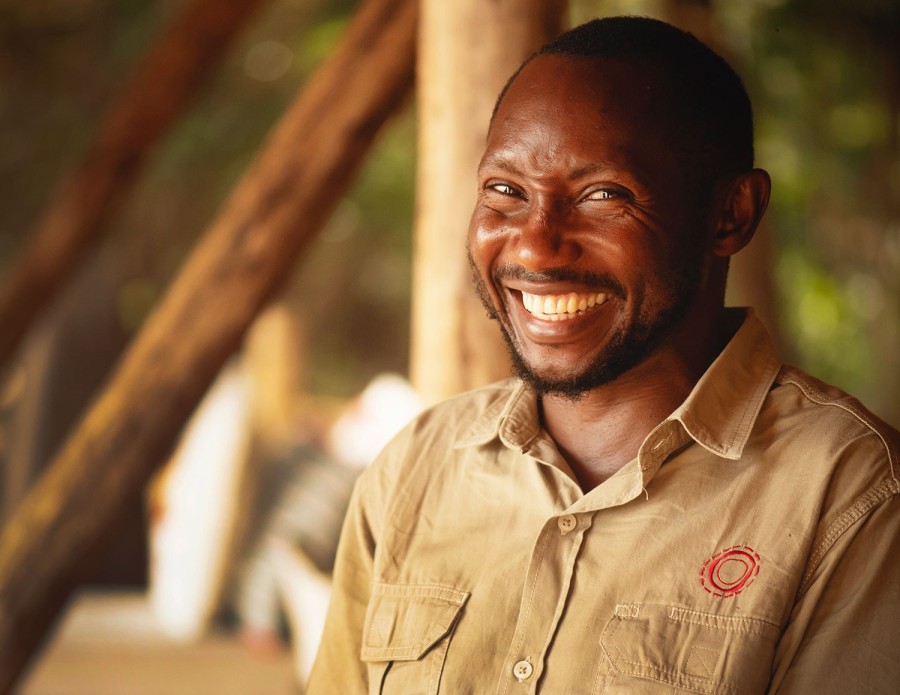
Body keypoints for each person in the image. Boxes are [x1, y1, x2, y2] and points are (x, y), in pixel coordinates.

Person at [308, 16, 900, 693]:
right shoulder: (414, 470)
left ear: (730, 214)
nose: (535, 246)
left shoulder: (852, 496)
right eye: (506, 192)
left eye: (604, 196)